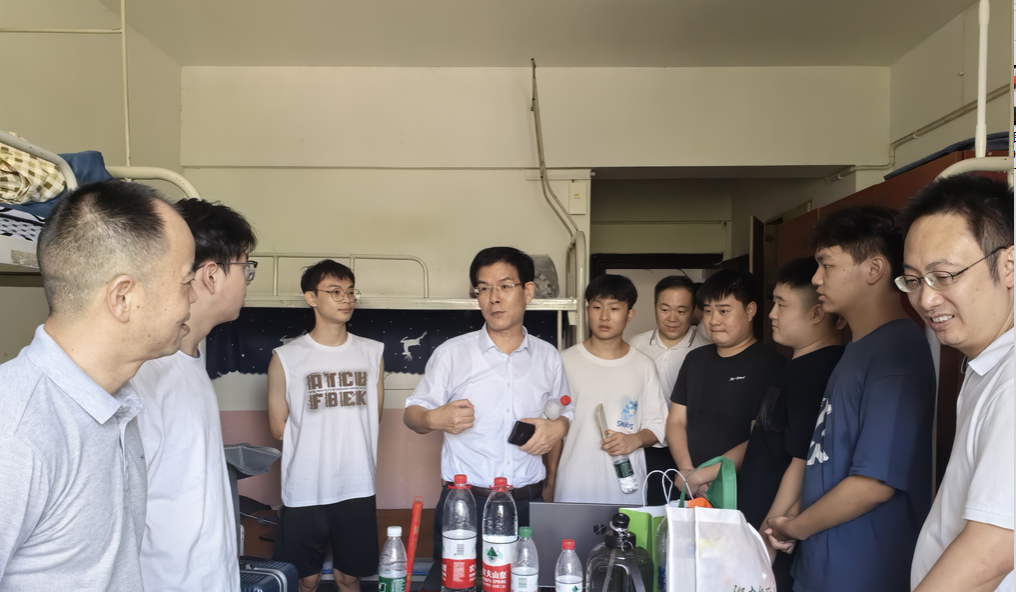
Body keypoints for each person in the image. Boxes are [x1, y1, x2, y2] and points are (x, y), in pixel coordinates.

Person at [0, 181, 196, 590]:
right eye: (185, 281)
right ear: (122, 297)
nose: (193, 297)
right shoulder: (15, 435)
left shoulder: (115, 403)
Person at [765, 206, 937, 592]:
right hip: (823, 562)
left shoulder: (896, 353)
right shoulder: (858, 349)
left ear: (874, 269)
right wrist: (793, 518)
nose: (816, 278)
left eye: (826, 265)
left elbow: (873, 484)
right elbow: (829, 458)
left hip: (862, 569)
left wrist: (796, 526)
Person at [404, 246, 572, 586]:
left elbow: (564, 410)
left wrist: (559, 427)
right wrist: (435, 419)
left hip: (528, 503)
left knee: (524, 585)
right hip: (466, 504)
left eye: (505, 286)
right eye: (484, 288)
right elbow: (412, 414)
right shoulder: (452, 354)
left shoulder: (548, 357)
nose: (494, 297)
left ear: (527, 291)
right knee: (458, 586)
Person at [131, 199, 257, 592]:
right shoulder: (144, 376)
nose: (248, 279)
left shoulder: (190, 360)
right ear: (211, 275)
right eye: (245, 267)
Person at [897, 175, 1014, 592]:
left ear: (1009, 265)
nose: (925, 300)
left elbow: (993, 551)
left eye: (944, 276)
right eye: (913, 280)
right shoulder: (985, 365)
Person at [267, 260, 385, 592]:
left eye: (350, 291)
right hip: (306, 487)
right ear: (311, 298)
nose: (346, 298)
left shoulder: (373, 353)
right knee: (306, 579)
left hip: (357, 484)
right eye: (335, 291)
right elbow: (278, 427)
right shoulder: (286, 357)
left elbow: (373, 416)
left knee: (350, 577)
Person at [735, 258, 844, 591]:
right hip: (761, 526)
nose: (772, 314)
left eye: (782, 304)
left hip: (774, 538)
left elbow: (802, 461)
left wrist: (767, 541)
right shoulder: (797, 366)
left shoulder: (816, 373)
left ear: (816, 313)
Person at [665, 269, 786, 494]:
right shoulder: (695, 359)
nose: (713, 320)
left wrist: (702, 476)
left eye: (723, 311)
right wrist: (687, 472)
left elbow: (759, 438)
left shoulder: (770, 365)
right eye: (708, 311)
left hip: (740, 489)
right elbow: (677, 420)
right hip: (690, 487)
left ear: (750, 311)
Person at [555, 274, 667, 504]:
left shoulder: (643, 366)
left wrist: (634, 440)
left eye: (614, 308)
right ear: (587, 310)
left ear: (629, 314)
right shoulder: (563, 361)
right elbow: (552, 430)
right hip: (573, 485)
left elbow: (658, 425)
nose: (604, 316)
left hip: (626, 489)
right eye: (597, 307)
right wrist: (549, 482)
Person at [630, 275, 708, 505]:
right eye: (665, 309)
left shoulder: (706, 348)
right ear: (655, 306)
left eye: (681, 311)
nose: (672, 318)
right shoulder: (636, 345)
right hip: (647, 446)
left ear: (693, 310)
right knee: (646, 505)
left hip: (691, 449)